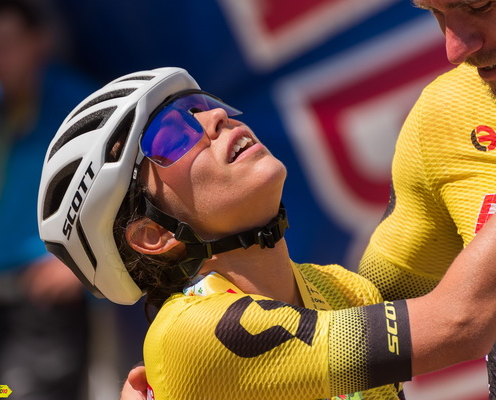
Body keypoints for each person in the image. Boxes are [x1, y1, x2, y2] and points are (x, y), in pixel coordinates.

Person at [38, 66, 496, 400]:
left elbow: (442, 289)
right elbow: (462, 321)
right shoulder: (188, 336)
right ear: (154, 234)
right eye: (170, 136)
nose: (214, 120)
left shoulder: (338, 288)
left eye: (200, 105)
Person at [0, 0, 95, 398]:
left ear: (39, 41)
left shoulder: (77, 105)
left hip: (46, 307)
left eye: (5, 44)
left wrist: (79, 265)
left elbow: (125, 190)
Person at [356, 0, 496, 397]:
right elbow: (372, 310)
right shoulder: (444, 112)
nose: (455, 49)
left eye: (479, 5)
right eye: (435, 12)